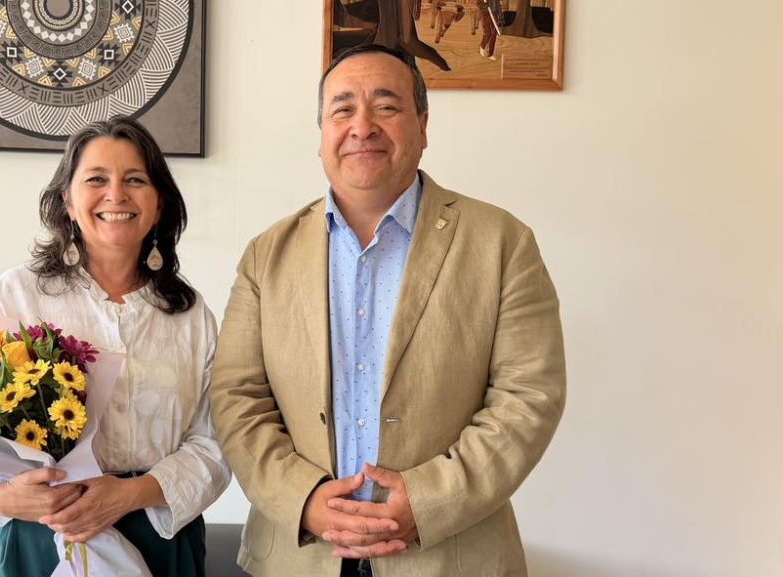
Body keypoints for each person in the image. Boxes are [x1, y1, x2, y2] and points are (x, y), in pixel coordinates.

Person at [209, 44, 565, 577]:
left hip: (451, 556)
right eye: (343, 109)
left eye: (387, 106)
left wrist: (427, 502)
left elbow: (528, 397)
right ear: (322, 134)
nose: (363, 126)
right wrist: (303, 498)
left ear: (423, 126)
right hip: (298, 555)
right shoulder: (268, 254)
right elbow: (237, 397)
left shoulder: (502, 242)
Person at [0, 116, 231, 577]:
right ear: (67, 201)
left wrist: (131, 494)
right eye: (97, 179)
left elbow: (216, 440)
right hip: (39, 533)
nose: (116, 195)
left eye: (135, 180)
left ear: (159, 204)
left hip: (158, 531)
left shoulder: (190, 314)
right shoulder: (18, 294)